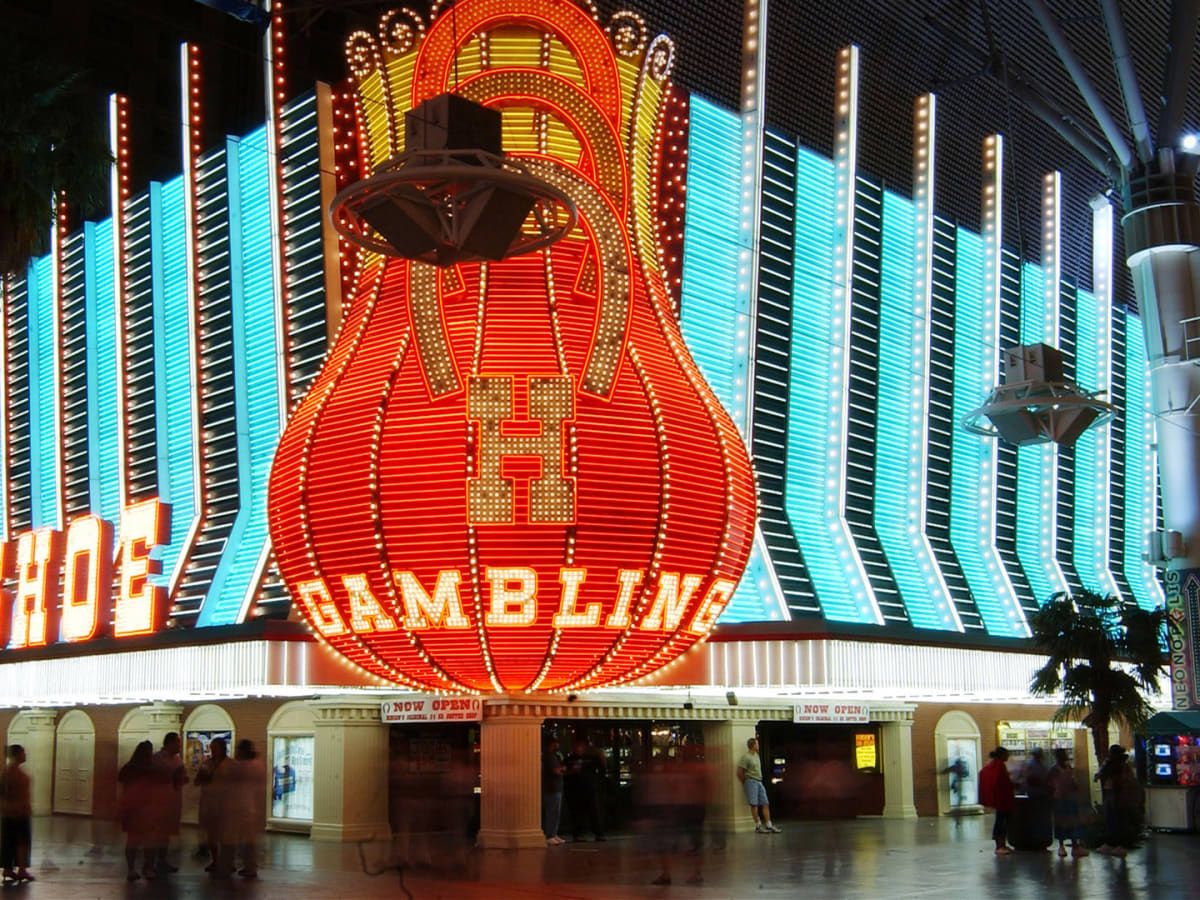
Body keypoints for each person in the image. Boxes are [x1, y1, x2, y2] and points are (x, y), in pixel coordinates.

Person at [194, 737, 233, 877]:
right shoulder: (206, 764)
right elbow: (197, 781)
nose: (213, 750)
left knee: (225, 834)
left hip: (225, 803)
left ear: (222, 748)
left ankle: (227, 861)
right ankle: (215, 860)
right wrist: (203, 777)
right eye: (212, 747)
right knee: (211, 834)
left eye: (215, 747)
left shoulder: (230, 764)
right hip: (209, 802)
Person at [149, 732, 186, 876]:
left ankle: (162, 860)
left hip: (172, 800)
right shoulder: (157, 759)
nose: (179, 746)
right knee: (155, 833)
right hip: (158, 800)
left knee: (166, 833)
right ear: (169, 743)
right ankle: (150, 864)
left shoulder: (178, 760)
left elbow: (180, 779)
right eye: (177, 742)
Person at [118, 741, 156, 880]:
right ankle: (147, 867)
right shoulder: (149, 768)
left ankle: (132, 868)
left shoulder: (129, 767)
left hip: (134, 808)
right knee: (147, 840)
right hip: (142, 808)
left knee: (133, 840)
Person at [1095, 745, 1142, 857]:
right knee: (1110, 820)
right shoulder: (1109, 765)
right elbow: (1101, 774)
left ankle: (1121, 845)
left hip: (1119, 796)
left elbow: (1127, 782)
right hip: (1110, 794)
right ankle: (1110, 843)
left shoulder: (1123, 767)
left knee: (1119, 821)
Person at [230, 740, 266, 878]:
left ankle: (242, 866)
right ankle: (250, 866)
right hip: (251, 806)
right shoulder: (258, 765)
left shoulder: (242, 767)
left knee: (239, 839)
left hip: (240, 806)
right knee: (248, 840)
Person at [0, 745, 34, 884]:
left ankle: (10, 868)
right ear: (17, 755)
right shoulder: (11, 774)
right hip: (18, 812)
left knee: (10, 841)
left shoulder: (7, 772)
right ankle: (20, 869)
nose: (25, 754)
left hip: (10, 812)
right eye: (23, 752)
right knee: (22, 841)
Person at [1047, 748, 1087, 858]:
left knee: (1073, 822)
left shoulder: (1068, 767)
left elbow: (1072, 781)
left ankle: (1075, 846)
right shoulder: (1054, 770)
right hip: (1060, 799)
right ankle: (1061, 846)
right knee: (1061, 822)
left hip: (1070, 798)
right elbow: (1049, 785)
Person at [563, 738, 606, 841]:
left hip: (589, 788)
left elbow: (602, 766)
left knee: (594, 812)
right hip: (575, 790)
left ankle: (598, 833)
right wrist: (571, 772)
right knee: (577, 814)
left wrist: (600, 756)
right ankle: (578, 834)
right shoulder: (569, 759)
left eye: (580, 747)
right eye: (577, 747)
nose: (578, 749)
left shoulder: (590, 758)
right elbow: (564, 773)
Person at [736, 737, 780, 833]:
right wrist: (745, 781)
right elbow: (740, 771)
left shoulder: (756, 755)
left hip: (759, 781)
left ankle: (769, 824)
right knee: (754, 804)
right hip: (751, 781)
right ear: (753, 745)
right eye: (757, 744)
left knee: (765, 803)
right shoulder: (746, 757)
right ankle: (758, 825)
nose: (758, 745)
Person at [978, 747, 1015, 855]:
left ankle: (1001, 844)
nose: (1008, 757)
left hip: (1000, 798)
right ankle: (1000, 845)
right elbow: (1003, 782)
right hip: (1002, 798)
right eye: (1007, 754)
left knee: (1000, 821)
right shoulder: (999, 766)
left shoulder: (993, 765)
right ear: (1002, 755)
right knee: (1002, 822)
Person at [1021, 747, 1052, 850]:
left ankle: (1041, 839)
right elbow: (1030, 779)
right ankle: (1039, 840)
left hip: (1040, 794)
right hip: (1037, 794)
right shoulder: (1033, 765)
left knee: (1040, 818)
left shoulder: (1037, 764)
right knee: (1038, 818)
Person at [541, 736, 565, 846]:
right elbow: (555, 770)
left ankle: (553, 834)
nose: (558, 744)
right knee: (552, 811)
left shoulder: (551, 755)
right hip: (552, 788)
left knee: (555, 812)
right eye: (556, 742)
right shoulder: (549, 756)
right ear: (552, 743)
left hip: (555, 787)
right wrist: (562, 769)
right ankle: (550, 834)